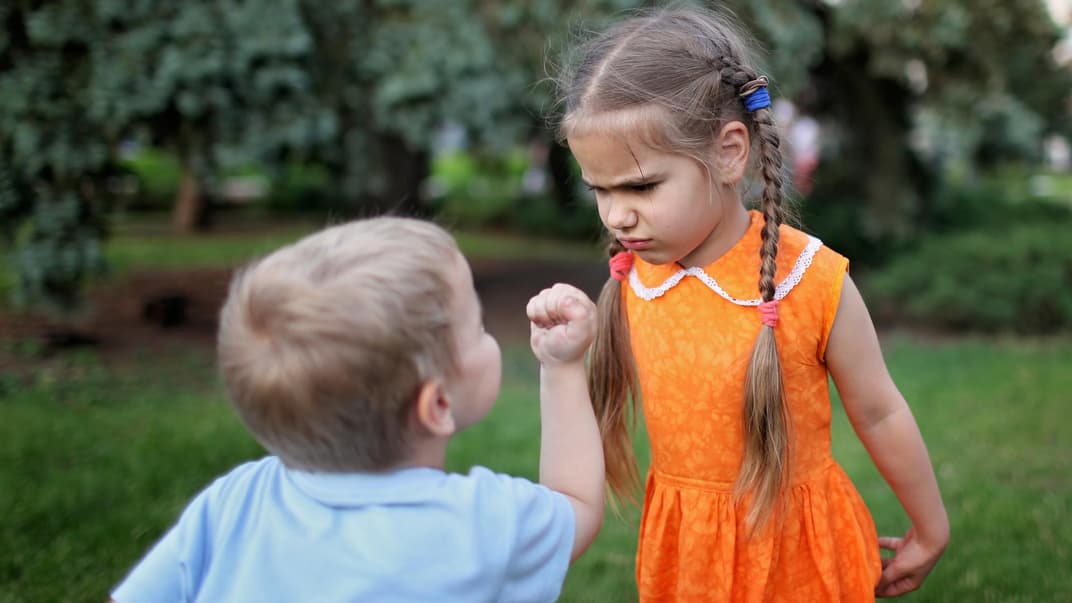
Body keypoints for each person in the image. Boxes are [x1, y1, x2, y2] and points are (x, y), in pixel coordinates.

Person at [554, 7, 949, 601]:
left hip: (801, 557)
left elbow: (879, 411)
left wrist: (931, 524)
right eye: (599, 190)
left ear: (729, 151)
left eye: (640, 186)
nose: (616, 215)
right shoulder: (634, 277)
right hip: (688, 557)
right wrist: (559, 358)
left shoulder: (807, 279)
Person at [109, 217, 604, 603]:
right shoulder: (485, 523)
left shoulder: (234, 501)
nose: (487, 332)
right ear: (437, 404)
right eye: (476, 326)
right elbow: (576, 502)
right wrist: (561, 369)